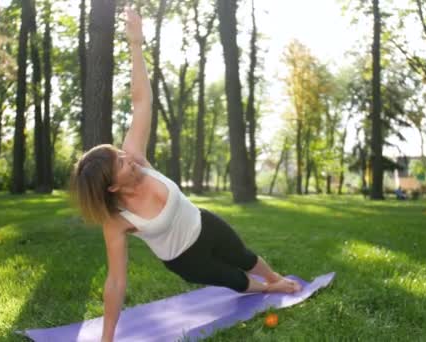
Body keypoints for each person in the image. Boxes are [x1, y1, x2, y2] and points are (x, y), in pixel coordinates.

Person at [69, 8, 301, 341]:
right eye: (119, 163)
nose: (126, 157)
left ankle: (274, 278)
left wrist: (135, 44)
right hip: (184, 259)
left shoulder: (136, 157)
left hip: (204, 222)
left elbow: (141, 102)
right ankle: (266, 289)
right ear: (112, 187)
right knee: (234, 280)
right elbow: (116, 282)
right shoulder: (117, 219)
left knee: (245, 257)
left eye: (119, 153)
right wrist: (106, 338)